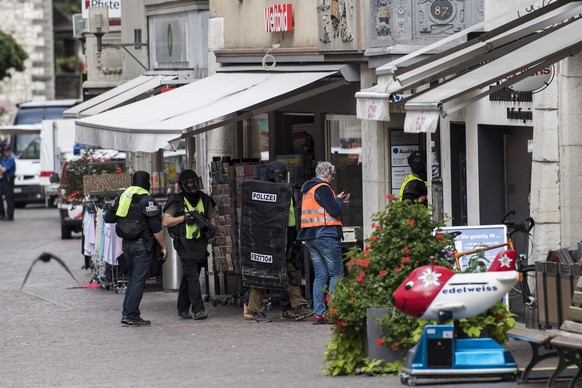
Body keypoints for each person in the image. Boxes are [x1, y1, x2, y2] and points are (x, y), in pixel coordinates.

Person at [244, 161, 314, 322]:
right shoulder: (264, 191)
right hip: (268, 239)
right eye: (280, 175)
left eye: (284, 175)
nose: (282, 178)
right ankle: (254, 309)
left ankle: (297, 306)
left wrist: (294, 237)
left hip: (286, 237)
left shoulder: (285, 191)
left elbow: (290, 217)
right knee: (264, 273)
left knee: (290, 273)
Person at [104, 170, 168, 327]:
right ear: (147, 182)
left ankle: (128, 313)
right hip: (141, 246)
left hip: (126, 245)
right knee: (138, 281)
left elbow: (109, 218)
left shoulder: (123, 197)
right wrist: (163, 246)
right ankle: (131, 315)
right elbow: (155, 228)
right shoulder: (147, 201)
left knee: (133, 279)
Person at [297, 161, 349, 324]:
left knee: (320, 275)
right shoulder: (323, 188)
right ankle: (334, 311)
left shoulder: (308, 189)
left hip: (310, 236)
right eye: (332, 176)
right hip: (325, 235)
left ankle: (319, 313)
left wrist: (337, 200)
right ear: (327, 174)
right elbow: (334, 209)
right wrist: (339, 200)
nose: (332, 179)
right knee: (336, 274)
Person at [163, 170, 216, 321]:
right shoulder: (176, 200)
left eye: (195, 182)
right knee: (192, 276)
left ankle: (182, 308)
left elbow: (212, 218)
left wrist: (210, 230)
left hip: (200, 243)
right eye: (190, 183)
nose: (193, 186)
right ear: (183, 185)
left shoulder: (205, 199)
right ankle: (198, 310)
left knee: (189, 276)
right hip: (183, 244)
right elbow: (166, 221)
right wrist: (185, 218)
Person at [0, 145, 16, 221]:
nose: (6, 152)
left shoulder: (11, 159)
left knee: (9, 199)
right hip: (2, 180)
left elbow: (4, 170)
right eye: (5, 151)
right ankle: (2, 215)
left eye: (7, 151)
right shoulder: (3, 159)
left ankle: (10, 216)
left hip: (8, 180)